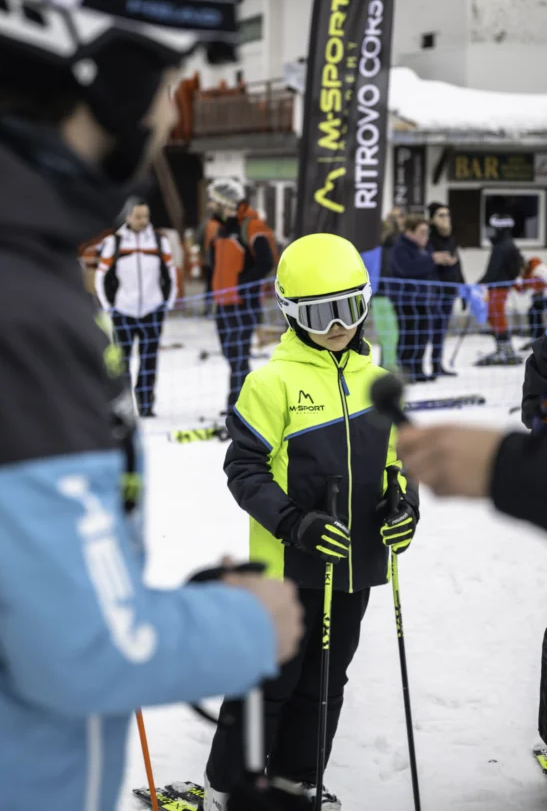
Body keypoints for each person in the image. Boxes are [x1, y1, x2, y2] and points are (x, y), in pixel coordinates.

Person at [0, 0, 304, 811]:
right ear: (109, 77)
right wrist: (240, 625)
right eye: (166, 80)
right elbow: (81, 651)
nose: (169, 117)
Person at [204, 233, 419, 811]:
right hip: (286, 568)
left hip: (351, 565)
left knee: (325, 683)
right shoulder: (270, 383)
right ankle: (229, 789)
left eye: (349, 308)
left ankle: (297, 782)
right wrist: (293, 522)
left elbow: (401, 463)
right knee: (269, 682)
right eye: (321, 314)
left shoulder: (380, 382)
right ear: (292, 314)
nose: (338, 326)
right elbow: (244, 469)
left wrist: (404, 508)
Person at [96, 199, 177, 418]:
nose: (143, 221)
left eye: (146, 216)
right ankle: (125, 404)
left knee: (149, 360)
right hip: (123, 311)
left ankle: (146, 404)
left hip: (152, 310)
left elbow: (170, 273)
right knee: (122, 362)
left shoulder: (159, 241)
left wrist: (166, 304)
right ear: (128, 217)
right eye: (139, 216)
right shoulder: (114, 242)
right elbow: (101, 276)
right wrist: (109, 307)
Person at [209, 178, 276, 413]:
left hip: (243, 302)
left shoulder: (251, 226)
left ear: (225, 202)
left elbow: (266, 262)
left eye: (213, 200)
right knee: (230, 353)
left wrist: (241, 284)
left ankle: (237, 404)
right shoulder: (222, 228)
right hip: (223, 303)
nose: (210, 205)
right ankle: (247, 399)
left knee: (238, 355)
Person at [389, 214, 456, 382]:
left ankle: (418, 369)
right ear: (409, 232)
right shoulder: (400, 248)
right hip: (406, 301)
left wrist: (447, 264)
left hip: (425, 300)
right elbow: (407, 268)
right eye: (422, 232)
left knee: (422, 337)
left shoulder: (425, 249)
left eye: (427, 232)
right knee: (408, 336)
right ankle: (405, 371)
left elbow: (432, 272)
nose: (426, 236)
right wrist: (432, 259)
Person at [475, 213, 523, 366]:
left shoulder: (502, 247)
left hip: (498, 287)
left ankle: (505, 350)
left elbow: (493, 270)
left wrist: (479, 283)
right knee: (494, 315)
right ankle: (502, 348)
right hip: (501, 286)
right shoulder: (508, 244)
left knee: (496, 316)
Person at [427, 203, 464, 377]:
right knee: (427, 329)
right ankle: (417, 367)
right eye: (441, 215)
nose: (445, 219)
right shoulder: (428, 238)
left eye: (447, 215)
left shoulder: (451, 238)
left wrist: (462, 288)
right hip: (434, 291)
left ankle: (437, 364)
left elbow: (458, 264)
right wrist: (435, 259)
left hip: (450, 290)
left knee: (441, 330)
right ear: (432, 219)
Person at [371, 208, 403, 373]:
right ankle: (388, 365)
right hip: (384, 293)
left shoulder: (390, 245)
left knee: (389, 332)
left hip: (386, 293)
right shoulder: (388, 246)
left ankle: (388, 364)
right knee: (388, 333)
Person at [196, 199, 223, 315]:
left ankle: (208, 308)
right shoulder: (222, 224)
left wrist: (203, 251)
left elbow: (198, 238)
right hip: (219, 260)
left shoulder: (206, 223)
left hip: (209, 259)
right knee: (218, 284)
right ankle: (218, 308)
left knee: (209, 285)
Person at [515, 256, 547, 351]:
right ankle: (538, 339)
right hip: (539, 298)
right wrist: (513, 283)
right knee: (533, 314)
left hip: (543, 296)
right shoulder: (527, 273)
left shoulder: (538, 268)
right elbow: (522, 289)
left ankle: (539, 339)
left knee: (534, 314)